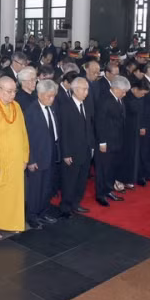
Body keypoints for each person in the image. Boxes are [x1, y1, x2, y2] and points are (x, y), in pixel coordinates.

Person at [0, 76, 29, 237]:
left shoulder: (16, 106)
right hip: (0, 162)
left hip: (16, 161)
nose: (12, 95)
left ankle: (13, 222)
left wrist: (25, 157)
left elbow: (23, 133)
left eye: (14, 91)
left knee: (14, 194)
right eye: (8, 92)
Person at [24, 80, 60, 229]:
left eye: (53, 96)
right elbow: (26, 138)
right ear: (39, 94)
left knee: (47, 187)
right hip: (37, 157)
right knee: (35, 189)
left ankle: (43, 212)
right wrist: (31, 160)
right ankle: (32, 216)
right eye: (49, 96)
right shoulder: (31, 111)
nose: (52, 99)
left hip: (50, 154)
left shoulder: (51, 108)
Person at [57, 77, 94, 217]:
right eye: (84, 89)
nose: (86, 92)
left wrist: (91, 146)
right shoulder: (66, 107)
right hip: (72, 152)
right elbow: (63, 131)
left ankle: (76, 203)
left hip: (85, 150)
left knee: (81, 180)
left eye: (87, 89)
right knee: (69, 181)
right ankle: (65, 207)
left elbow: (89, 126)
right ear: (76, 89)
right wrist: (65, 153)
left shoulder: (86, 104)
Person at [94, 76, 130, 207]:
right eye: (123, 91)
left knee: (111, 168)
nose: (125, 94)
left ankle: (108, 190)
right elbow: (100, 123)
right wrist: (102, 142)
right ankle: (100, 194)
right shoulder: (104, 100)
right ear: (115, 88)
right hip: (106, 142)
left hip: (117, 140)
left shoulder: (118, 100)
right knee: (103, 169)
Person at [120, 78, 150, 190]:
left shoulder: (139, 98)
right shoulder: (126, 96)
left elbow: (143, 112)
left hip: (136, 129)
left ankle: (132, 178)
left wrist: (142, 125)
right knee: (127, 155)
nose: (143, 96)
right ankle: (124, 179)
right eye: (142, 93)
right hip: (126, 130)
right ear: (136, 89)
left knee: (135, 154)